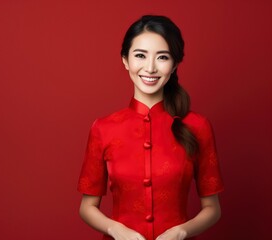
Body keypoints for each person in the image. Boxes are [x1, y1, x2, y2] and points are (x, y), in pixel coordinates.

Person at [77, 15, 224, 240]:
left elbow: (213, 209)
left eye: (162, 57)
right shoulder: (103, 128)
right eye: (140, 56)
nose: (150, 67)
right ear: (125, 60)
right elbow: (87, 207)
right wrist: (116, 230)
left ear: (174, 64)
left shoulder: (197, 126)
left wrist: (181, 232)